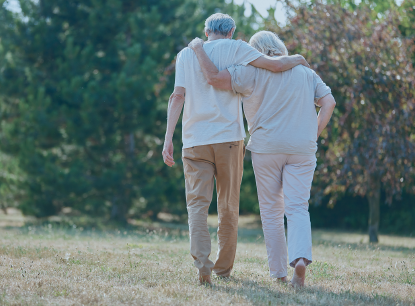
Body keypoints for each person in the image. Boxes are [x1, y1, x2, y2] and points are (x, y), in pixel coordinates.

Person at [162, 14, 310, 285]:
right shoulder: (238, 48)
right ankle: (223, 269)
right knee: (228, 206)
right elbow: (274, 65)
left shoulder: (185, 54)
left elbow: (177, 96)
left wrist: (168, 137)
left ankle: (202, 266)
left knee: (197, 206)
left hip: (194, 141)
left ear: (206, 30)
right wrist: (298, 59)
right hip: (230, 140)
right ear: (231, 31)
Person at [188, 31, 336, 287]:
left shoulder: (249, 71)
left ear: (254, 49)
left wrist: (199, 49)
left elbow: (214, 78)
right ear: (279, 47)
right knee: (298, 207)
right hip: (302, 147)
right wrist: (313, 134)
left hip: (266, 147)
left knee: (271, 211)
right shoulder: (304, 71)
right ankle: (300, 259)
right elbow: (329, 102)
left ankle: (278, 272)